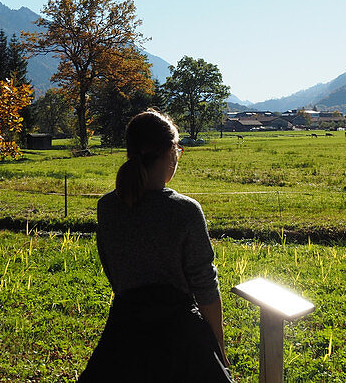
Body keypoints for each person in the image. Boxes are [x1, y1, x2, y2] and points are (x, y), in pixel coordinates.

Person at [79, 109, 234, 383]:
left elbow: (113, 271)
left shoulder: (108, 207)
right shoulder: (185, 211)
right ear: (171, 151)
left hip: (123, 336)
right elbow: (206, 287)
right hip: (180, 340)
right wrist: (218, 348)